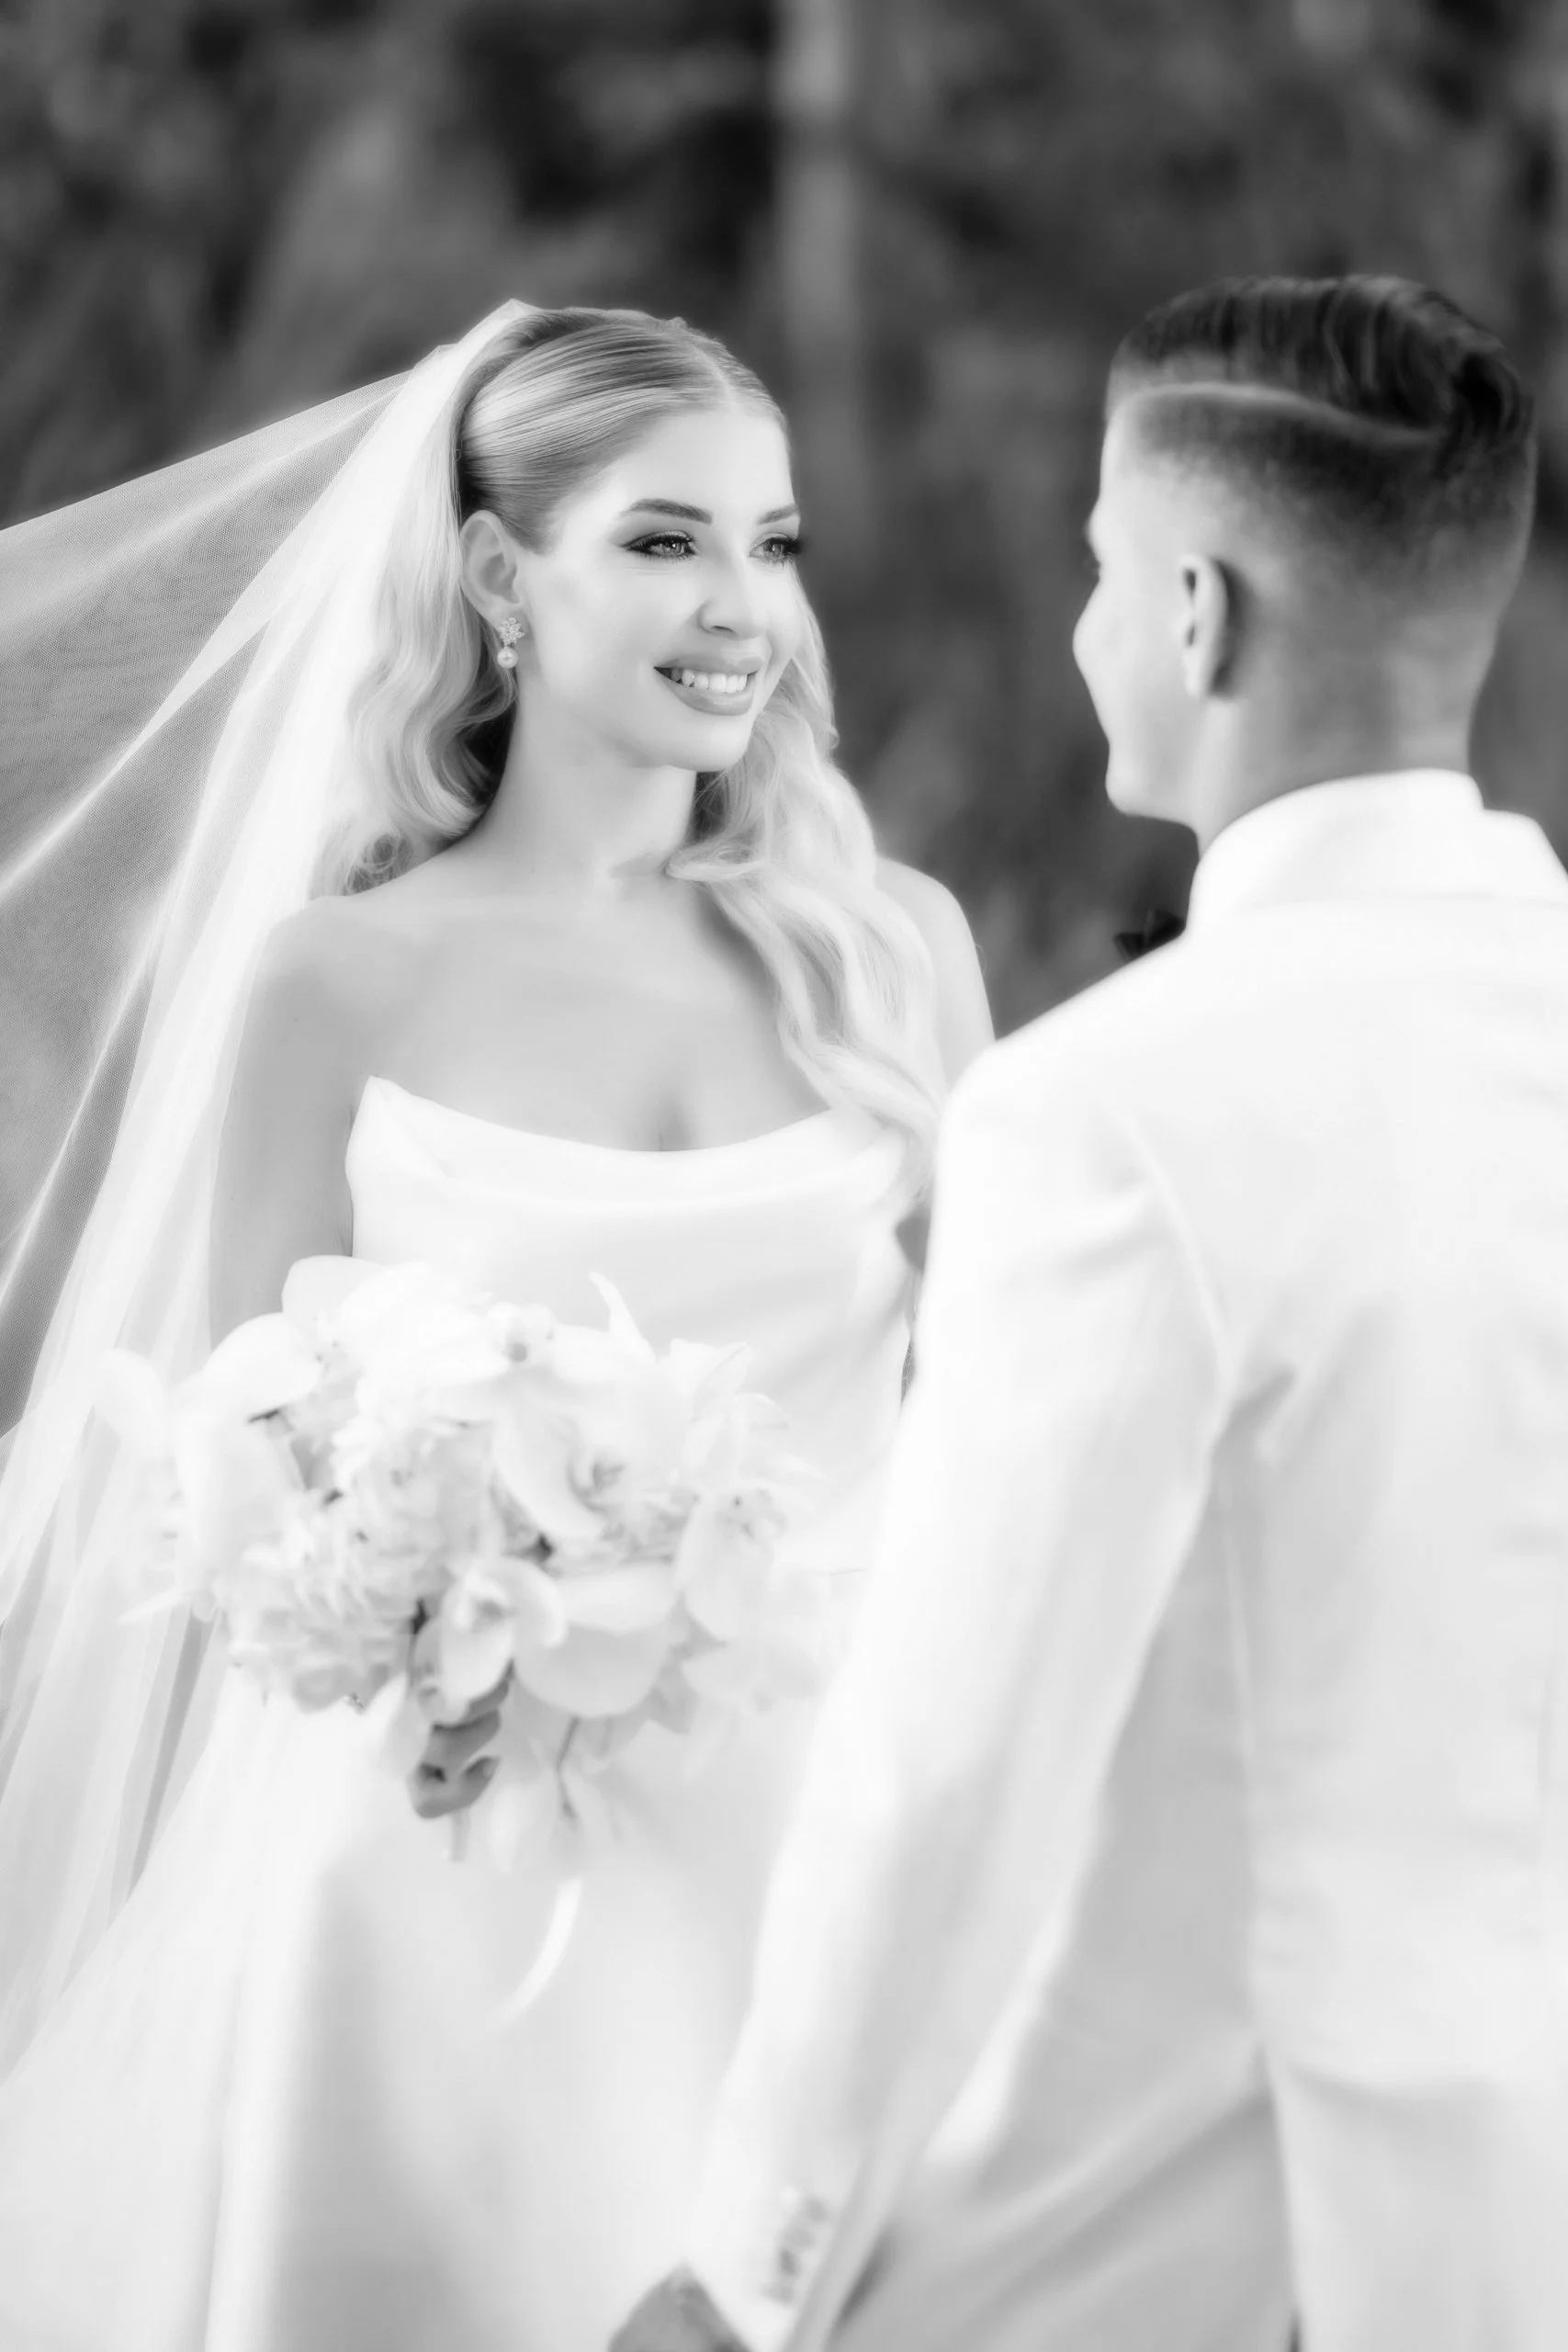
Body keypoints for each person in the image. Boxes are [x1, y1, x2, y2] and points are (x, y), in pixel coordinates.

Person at [0, 302, 992, 2351]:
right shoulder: (329, 985)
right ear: (492, 578)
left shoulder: (889, 957)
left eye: (774, 543)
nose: (743, 608)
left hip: (809, 1896)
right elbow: (227, 1503)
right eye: (663, 541)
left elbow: (990, 1462)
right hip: (420, 1896)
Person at [612, 274, 1568, 2352]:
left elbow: (947, 1768)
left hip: (1168, 2250)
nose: (1084, 628)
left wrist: (745, 2271)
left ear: (1201, 613)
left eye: (1100, 570)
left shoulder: (1109, 1106)